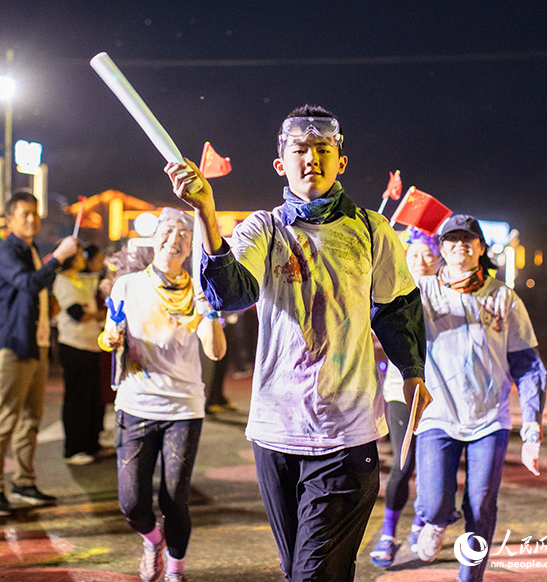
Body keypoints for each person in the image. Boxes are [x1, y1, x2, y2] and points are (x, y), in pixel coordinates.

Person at [165, 105, 431, 581]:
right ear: (280, 164)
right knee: (304, 571)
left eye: (323, 150)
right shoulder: (263, 228)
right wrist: (205, 212)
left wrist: (413, 372)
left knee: (311, 575)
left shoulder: (372, 229)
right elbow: (229, 292)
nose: (312, 159)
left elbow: (399, 308)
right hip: (275, 433)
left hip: (346, 435)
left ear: (341, 161)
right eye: (300, 150)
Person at [412, 214, 546, 582]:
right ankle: (435, 520)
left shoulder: (504, 298)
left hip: (490, 420)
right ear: (440, 248)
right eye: (451, 239)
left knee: (481, 505)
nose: (460, 245)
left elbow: (528, 365)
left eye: (468, 239)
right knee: (435, 500)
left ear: (481, 248)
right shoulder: (423, 293)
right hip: (437, 417)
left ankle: (470, 577)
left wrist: (532, 424)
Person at [100, 208, 227, 582]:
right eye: (168, 230)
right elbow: (111, 334)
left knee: (174, 499)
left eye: (184, 235)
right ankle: (152, 540)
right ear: (154, 237)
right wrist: (110, 338)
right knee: (132, 503)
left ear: (191, 247)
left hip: (183, 409)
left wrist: (210, 313)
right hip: (135, 404)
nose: (175, 238)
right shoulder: (128, 285)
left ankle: (175, 568)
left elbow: (216, 352)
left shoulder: (200, 291)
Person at [0, 189, 78, 516]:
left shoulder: (31, 249)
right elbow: (28, 283)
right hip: (12, 344)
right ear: (10, 219)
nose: (32, 219)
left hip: (35, 343)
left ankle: (24, 482)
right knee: (5, 417)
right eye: (24, 214)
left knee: (31, 419)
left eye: (35, 213)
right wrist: (58, 258)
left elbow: (34, 291)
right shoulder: (6, 251)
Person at [370, 228, 442, 567]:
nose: (422, 261)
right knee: (404, 461)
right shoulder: (393, 294)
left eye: (428, 255)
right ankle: (388, 533)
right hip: (401, 389)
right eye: (414, 255)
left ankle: (420, 522)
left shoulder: (446, 292)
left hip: (441, 393)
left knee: (432, 467)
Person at [53, 244, 107, 465]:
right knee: (77, 399)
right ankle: (74, 448)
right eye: (77, 255)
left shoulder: (82, 279)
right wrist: (100, 315)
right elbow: (77, 313)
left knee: (93, 399)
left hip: (92, 345)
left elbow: (100, 279)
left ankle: (91, 444)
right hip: (74, 346)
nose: (82, 258)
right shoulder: (63, 281)